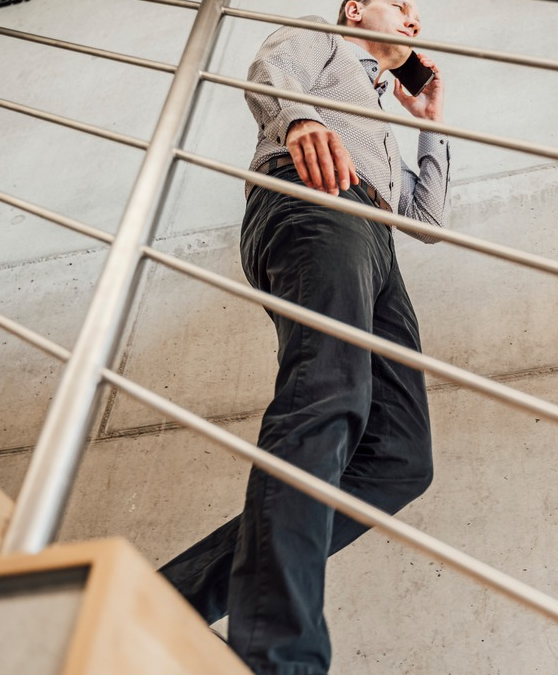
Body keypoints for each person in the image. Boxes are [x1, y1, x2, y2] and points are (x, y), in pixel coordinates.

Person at [159, 1, 450, 673]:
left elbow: (427, 217)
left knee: (401, 455)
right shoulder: (325, 41)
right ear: (354, 7)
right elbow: (268, 70)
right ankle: (281, 656)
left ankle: (167, 594)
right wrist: (301, 118)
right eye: (399, 3)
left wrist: (431, 124)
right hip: (311, 200)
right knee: (328, 394)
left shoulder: (378, 112)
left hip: (373, 239)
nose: (413, 17)